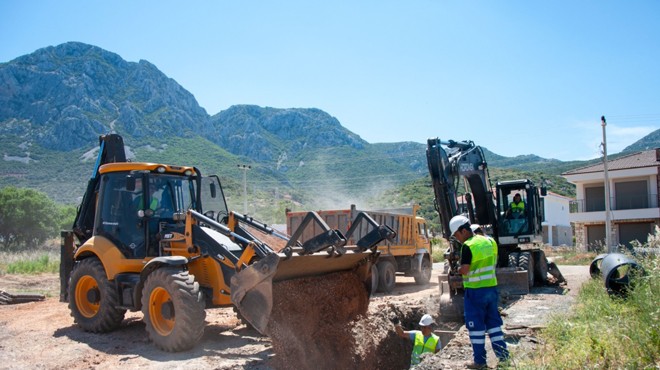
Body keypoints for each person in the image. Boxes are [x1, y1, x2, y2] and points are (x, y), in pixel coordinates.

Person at [449, 215, 508, 369]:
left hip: (475, 292)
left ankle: (480, 362)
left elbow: (466, 270)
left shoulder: (468, 246)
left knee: (476, 328)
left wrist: (458, 269)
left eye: (456, 235)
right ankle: (504, 358)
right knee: (494, 324)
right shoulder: (489, 241)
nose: (457, 239)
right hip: (491, 288)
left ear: (463, 231)